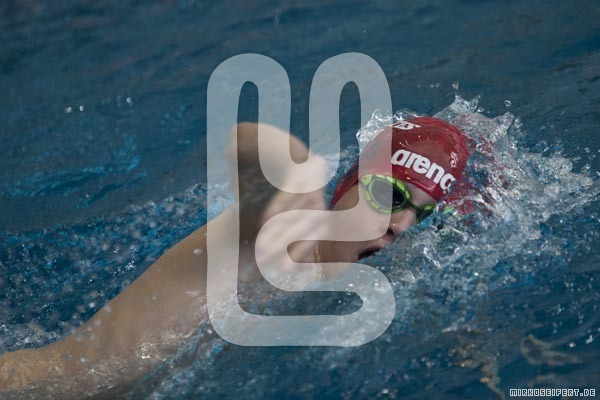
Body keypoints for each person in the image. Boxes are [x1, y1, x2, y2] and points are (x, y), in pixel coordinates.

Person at [0, 117, 470, 397]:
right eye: (388, 195)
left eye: (420, 214)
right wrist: (296, 176)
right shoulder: (281, 235)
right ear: (348, 185)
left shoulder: (341, 288)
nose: (399, 225)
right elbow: (246, 139)